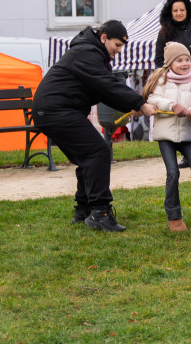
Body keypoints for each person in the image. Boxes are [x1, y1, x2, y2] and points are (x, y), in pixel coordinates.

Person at [32, 21, 157, 231]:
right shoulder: (86, 53)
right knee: (98, 152)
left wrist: (134, 105)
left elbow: (103, 89)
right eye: (116, 45)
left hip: (53, 110)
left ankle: (84, 210)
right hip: (56, 110)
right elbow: (106, 84)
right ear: (103, 37)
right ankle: (100, 212)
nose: (118, 51)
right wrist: (139, 104)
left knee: (88, 158)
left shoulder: (91, 53)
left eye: (121, 47)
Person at [143, 42, 191, 233]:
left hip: (188, 134)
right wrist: (172, 106)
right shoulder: (161, 81)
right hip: (166, 135)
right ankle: (174, 216)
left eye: (187, 59)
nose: (184, 63)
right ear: (170, 63)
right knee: (173, 172)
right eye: (179, 60)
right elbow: (152, 99)